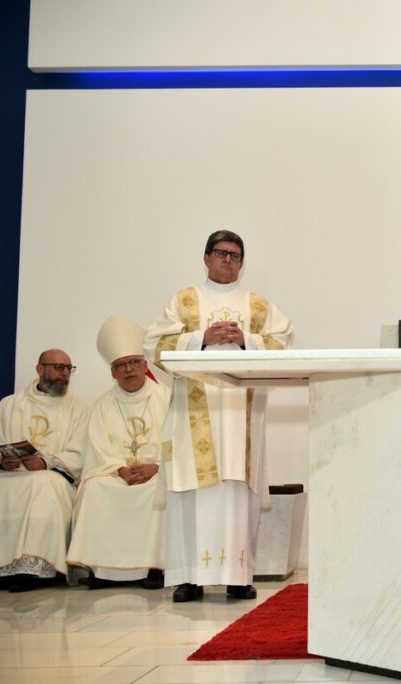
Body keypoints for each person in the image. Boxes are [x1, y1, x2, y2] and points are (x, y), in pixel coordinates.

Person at [145, 230, 292, 602]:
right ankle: (189, 578)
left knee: (237, 492)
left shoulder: (258, 306)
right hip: (195, 411)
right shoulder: (183, 302)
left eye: (235, 255)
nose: (227, 260)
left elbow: (283, 343)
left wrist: (245, 340)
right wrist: (201, 337)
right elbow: (155, 346)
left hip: (240, 414)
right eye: (220, 253)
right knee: (193, 491)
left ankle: (239, 575)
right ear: (206, 257)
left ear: (242, 263)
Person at [0, 349, 88, 592]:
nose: (64, 374)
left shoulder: (77, 409)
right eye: (58, 367)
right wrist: (1, 461)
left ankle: (35, 568)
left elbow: (81, 451)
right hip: (8, 472)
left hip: (51, 476)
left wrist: (46, 462)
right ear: (39, 369)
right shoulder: (10, 404)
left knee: (42, 483)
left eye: (68, 368)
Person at [67, 315, 171, 589]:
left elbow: (180, 441)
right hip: (116, 473)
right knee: (94, 488)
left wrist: (157, 466)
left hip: (156, 472)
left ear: (145, 365)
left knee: (160, 488)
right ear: (112, 372)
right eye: (120, 365)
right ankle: (102, 570)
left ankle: (155, 568)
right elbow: (96, 447)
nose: (129, 369)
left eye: (134, 362)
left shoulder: (167, 397)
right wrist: (120, 469)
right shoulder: (103, 404)